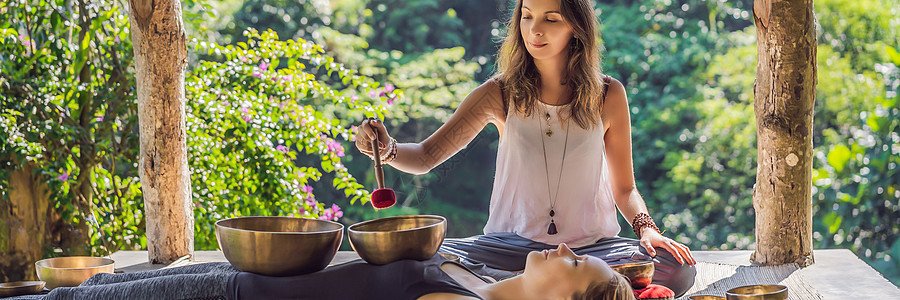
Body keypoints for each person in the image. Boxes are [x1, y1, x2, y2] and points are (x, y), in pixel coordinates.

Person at [354, 0, 697, 296]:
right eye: (527, 16)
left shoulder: (608, 94)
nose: (535, 29)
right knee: (419, 255)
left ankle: (507, 287)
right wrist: (387, 149)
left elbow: (625, 189)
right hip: (509, 248)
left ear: (576, 27)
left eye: (551, 18)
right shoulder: (499, 93)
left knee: (675, 267)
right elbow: (426, 157)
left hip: (591, 254)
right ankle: (532, 287)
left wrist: (647, 228)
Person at [25, 244, 633, 300]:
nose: (564, 250)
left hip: (235, 295)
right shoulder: (478, 268)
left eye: (576, 264)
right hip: (235, 277)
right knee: (95, 288)